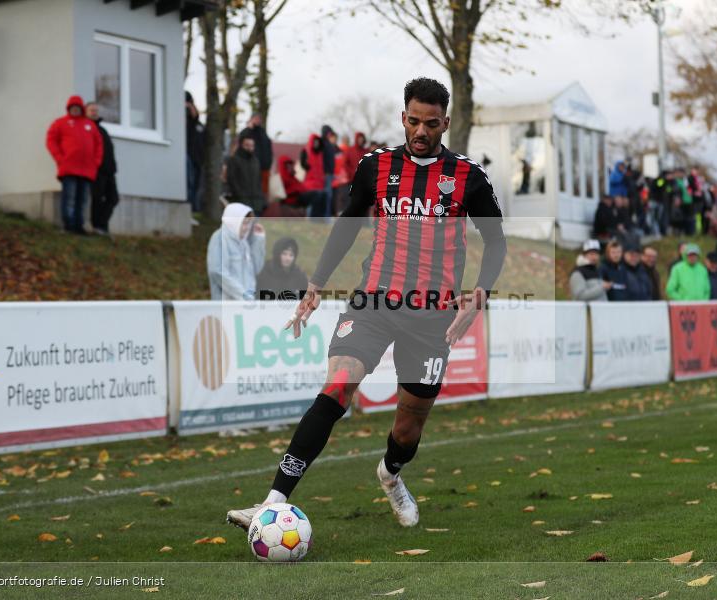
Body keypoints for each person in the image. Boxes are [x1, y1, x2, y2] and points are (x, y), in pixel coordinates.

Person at [226, 77, 507, 530]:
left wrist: (480, 293)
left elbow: (495, 243)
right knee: (338, 387)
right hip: (372, 302)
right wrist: (316, 282)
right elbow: (346, 224)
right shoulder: (375, 166)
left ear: (445, 123)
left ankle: (391, 475)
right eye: (413, 121)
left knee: (409, 426)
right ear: (403, 118)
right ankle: (273, 500)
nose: (420, 131)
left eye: (431, 124)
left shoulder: (469, 177)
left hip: (431, 316)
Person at [45, 95, 102, 234]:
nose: (75, 110)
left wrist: (95, 163)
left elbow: (99, 145)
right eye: (73, 108)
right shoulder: (60, 123)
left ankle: (79, 226)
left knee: (82, 200)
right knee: (69, 198)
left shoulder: (90, 125)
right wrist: (60, 158)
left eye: (77, 108)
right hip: (69, 168)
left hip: (87, 170)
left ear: (81, 108)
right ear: (69, 108)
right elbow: (51, 141)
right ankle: (69, 225)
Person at [206, 203, 265, 300]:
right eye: (244, 223)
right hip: (226, 306)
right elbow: (217, 272)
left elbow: (256, 269)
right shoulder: (219, 238)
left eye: (249, 223)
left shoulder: (243, 243)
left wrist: (258, 240)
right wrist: (242, 295)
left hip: (244, 305)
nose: (247, 227)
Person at [85, 102, 118, 236]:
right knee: (97, 199)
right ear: (86, 112)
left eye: (96, 110)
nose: (94, 112)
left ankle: (102, 225)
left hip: (109, 170)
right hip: (96, 170)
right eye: (91, 110)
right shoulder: (86, 128)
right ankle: (98, 227)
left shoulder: (102, 130)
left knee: (113, 198)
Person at [225, 130, 266, 215]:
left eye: (252, 145)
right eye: (247, 145)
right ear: (241, 145)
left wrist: (261, 200)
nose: (250, 148)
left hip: (256, 204)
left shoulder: (256, 161)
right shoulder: (234, 160)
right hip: (241, 204)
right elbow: (232, 180)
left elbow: (259, 182)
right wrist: (240, 197)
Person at [244, 113, 273, 197]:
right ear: (251, 119)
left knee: (263, 193)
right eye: (256, 118)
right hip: (252, 168)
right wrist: (249, 128)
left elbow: (268, 148)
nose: (258, 120)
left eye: (259, 118)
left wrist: (269, 163)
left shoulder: (263, 133)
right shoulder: (247, 132)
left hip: (264, 168)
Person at [185, 92, 205, 214]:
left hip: (198, 159)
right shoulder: (186, 123)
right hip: (189, 156)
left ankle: (194, 208)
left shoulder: (199, 125)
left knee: (196, 185)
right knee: (190, 183)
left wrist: (190, 105)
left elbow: (195, 115)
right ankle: (190, 208)